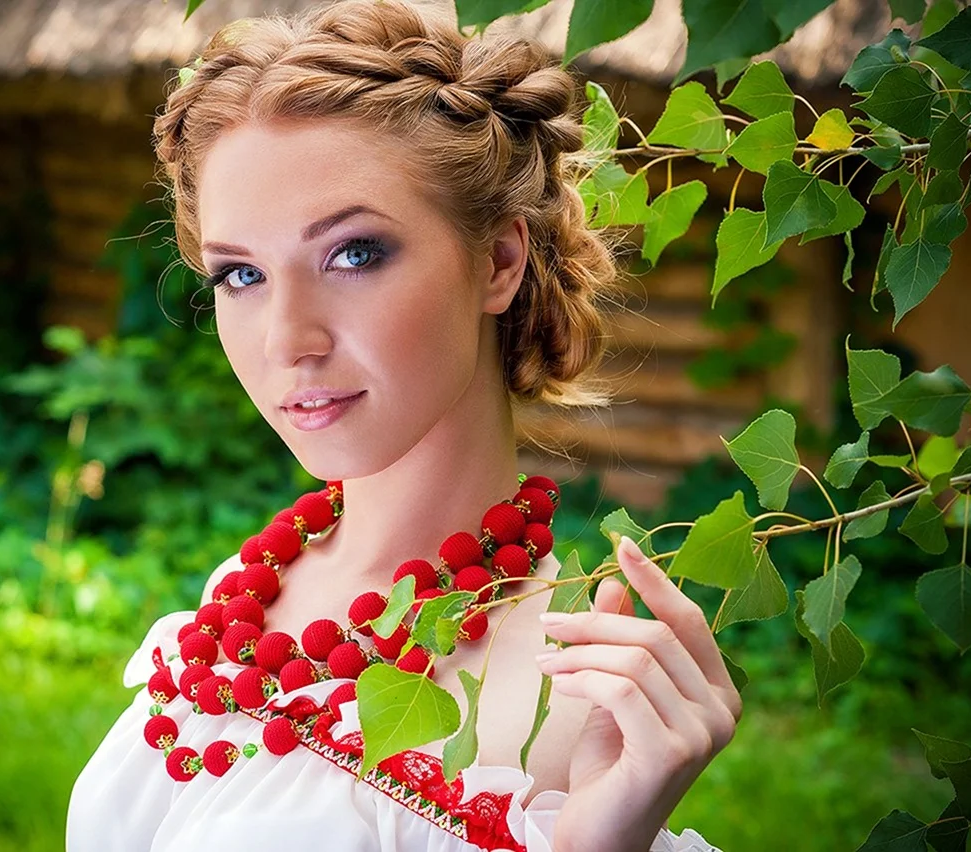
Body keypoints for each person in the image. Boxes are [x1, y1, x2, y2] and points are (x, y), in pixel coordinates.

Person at [66, 0, 742, 849]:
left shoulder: (571, 699)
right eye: (241, 275)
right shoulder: (240, 597)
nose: (286, 341)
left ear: (498, 261)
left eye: (354, 254)